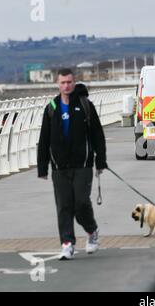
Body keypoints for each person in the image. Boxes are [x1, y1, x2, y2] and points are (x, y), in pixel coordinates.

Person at [37, 68, 108, 260]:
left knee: (81, 203)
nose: (66, 86)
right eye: (63, 83)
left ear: (74, 83)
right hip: (59, 167)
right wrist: (42, 167)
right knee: (64, 206)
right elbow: (44, 139)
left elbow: (97, 135)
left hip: (83, 165)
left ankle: (92, 231)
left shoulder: (85, 105)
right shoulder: (51, 108)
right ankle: (67, 243)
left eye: (69, 82)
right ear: (57, 84)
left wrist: (101, 161)